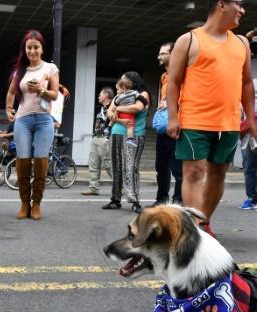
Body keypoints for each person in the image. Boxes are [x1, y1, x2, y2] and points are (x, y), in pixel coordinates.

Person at [167, 0, 257, 237]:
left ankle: (203, 223)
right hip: (194, 121)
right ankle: (194, 230)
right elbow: (173, 82)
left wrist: (250, 119)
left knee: (218, 174)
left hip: (228, 122)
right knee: (194, 173)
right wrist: (173, 117)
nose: (243, 10)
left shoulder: (242, 43)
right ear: (221, 4)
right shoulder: (189, 40)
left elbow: (247, 83)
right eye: (239, 3)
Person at [5, 29, 59, 220]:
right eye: (29, 47)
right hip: (23, 120)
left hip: (44, 120)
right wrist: (9, 108)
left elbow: (55, 94)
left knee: (41, 161)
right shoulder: (20, 71)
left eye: (36, 47)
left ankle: (36, 204)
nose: (32, 51)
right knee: (23, 161)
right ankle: (24, 203)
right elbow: (11, 92)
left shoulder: (50, 68)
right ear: (25, 49)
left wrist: (42, 90)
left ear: (42, 49)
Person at [103, 71, 149, 212]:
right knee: (116, 167)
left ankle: (134, 201)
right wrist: (120, 119)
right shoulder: (118, 95)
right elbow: (109, 114)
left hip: (134, 134)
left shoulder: (143, 94)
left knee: (130, 167)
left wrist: (117, 108)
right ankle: (115, 200)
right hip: (116, 133)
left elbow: (136, 108)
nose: (121, 81)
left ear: (131, 81)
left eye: (124, 79)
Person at [148, 42, 183, 207]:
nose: (159, 56)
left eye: (163, 53)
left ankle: (178, 200)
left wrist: (170, 104)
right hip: (163, 127)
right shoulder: (164, 76)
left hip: (176, 126)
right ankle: (161, 199)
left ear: (173, 54)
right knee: (161, 166)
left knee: (177, 168)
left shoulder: (183, 74)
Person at [82, 87, 113, 196]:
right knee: (93, 163)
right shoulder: (101, 108)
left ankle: (120, 186)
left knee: (108, 164)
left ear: (106, 96)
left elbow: (113, 121)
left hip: (105, 138)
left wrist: (108, 137)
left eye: (100, 94)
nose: (98, 96)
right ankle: (93, 188)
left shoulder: (112, 107)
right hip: (96, 137)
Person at [105, 78, 138, 147]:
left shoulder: (119, 97)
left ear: (123, 88)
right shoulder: (134, 93)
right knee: (130, 126)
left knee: (113, 117)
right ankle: (130, 139)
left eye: (117, 89)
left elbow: (114, 106)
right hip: (128, 114)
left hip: (119, 114)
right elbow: (140, 100)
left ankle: (108, 128)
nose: (116, 91)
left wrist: (116, 109)